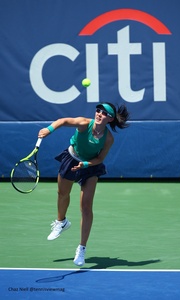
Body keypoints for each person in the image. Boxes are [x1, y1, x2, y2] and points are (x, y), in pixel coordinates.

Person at [38, 102, 130, 267]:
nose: (99, 113)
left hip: (90, 167)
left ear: (109, 118)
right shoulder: (84, 123)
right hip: (71, 158)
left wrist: (86, 164)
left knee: (86, 206)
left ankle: (82, 248)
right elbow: (64, 121)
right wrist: (49, 129)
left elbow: (100, 159)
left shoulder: (108, 139)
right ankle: (61, 222)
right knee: (62, 193)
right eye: (98, 110)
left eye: (103, 112)